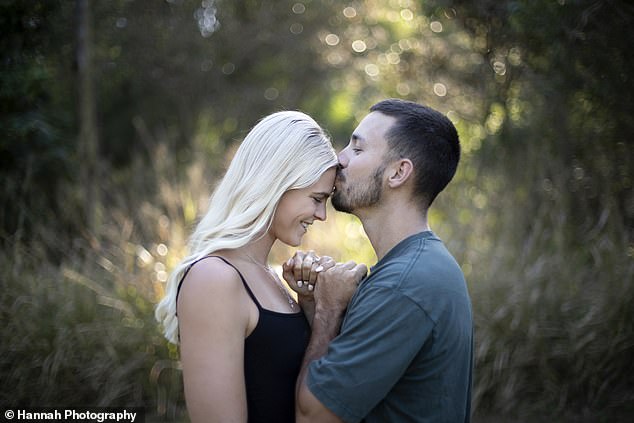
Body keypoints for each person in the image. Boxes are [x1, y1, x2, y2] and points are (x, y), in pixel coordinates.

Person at [155, 110, 350, 423]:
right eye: (316, 198)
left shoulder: (271, 276)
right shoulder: (214, 279)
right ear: (277, 183)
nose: (322, 215)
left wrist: (314, 306)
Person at [294, 99, 474, 422]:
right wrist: (314, 302)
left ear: (398, 172)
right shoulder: (417, 267)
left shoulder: (404, 284)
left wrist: (328, 310)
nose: (340, 158)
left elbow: (313, 414)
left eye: (357, 150)